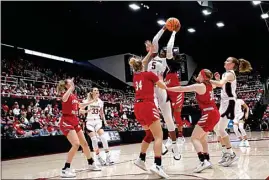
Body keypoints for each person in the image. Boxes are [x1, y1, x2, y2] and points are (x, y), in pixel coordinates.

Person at [167, 69, 220, 173]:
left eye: (200, 75)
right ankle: (207, 160)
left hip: (208, 113)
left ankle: (203, 161)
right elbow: (217, 85)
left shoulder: (200, 86)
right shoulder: (211, 85)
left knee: (194, 138)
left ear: (204, 77)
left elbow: (183, 88)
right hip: (214, 113)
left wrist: (167, 88)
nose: (198, 76)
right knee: (203, 139)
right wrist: (217, 79)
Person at [130, 45, 169, 179]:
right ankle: (157, 164)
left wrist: (150, 53)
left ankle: (141, 158)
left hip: (138, 107)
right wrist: (166, 83)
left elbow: (142, 63)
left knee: (149, 134)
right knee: (159, 135)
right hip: (148, 105)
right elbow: (163, 86)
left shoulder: (135, 76)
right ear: (143, 65)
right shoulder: (150, 74)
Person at [144, 25, 181, 160]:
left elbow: (170, 46)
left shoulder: (166, 60)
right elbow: (155, 39)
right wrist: (163, 29)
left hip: (161, 88)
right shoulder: (149, 58)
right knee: (154, 119)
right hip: (149, 91)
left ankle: (174, 146)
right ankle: (159, 146)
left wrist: (172, 33)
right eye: (148, 46)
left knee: (169, 118)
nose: (151, 46)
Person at [210, 57, 252, 167]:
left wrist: (207, 80)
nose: (225, 62)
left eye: (228, 61)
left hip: (229, 104)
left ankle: (231, 154)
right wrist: (217, 80)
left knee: (220, 129)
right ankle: (226, 153)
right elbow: (217, 86)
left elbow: (219, 84)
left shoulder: (229, 74)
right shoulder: (226, 74)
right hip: (224, 103)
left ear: (233, 64)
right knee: (216, 128)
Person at [57, 78, 101, 178]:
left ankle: (91, 163)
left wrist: (92, 101)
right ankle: (65, 169)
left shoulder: (73, 96)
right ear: (66, 85)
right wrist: (70, 88)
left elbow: (80, 105)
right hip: (66, 121)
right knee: (76, 144)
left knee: (84, 143)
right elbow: (64, 99)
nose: (72, 83)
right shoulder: (65, 94)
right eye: (70, 82)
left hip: (74, 121)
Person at [81, 88, 114, 166]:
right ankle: (98, 157)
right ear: (92, 93)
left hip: (98, 121)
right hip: (89, 122)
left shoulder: (100, 102)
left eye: (97, 91)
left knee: (103, 138)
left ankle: (108, 157)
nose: (96, 91)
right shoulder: (86, 101)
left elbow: (102, 113)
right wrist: (85, 111)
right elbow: (80, 110)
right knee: (94, 140)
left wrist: (105, 121)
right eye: (95, 90)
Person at [164, 54, 185, 145]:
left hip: (177, 95)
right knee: (169, 117)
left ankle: (180, 136)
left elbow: (174, 63)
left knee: (177, 116)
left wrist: (172, 57)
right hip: (170, 96)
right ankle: (170, 136)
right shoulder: (166, 74)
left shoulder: (173, 71)